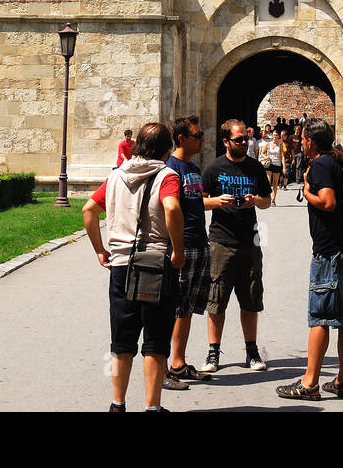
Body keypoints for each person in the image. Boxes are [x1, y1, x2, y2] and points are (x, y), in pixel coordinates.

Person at [82, 122, 185, 412]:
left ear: (138, 144)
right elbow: (172, 208)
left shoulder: (116, 176)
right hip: (155, 264)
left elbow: (88, 210)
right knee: (155, 338)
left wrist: (101, 250)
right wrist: (178, 250)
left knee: (122, 338)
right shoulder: (167, 175)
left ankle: (118, 404)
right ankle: (152, 407)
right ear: (167, 148)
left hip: (121, 265)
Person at [277, 118, 343, 401]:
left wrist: (307, 191)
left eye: (302, 138)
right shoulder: (336, 162)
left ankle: (310, 382)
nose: (300, 141)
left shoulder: (322, 165)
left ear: (309, 142)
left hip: (330, 252)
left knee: (321, 318)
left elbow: (328, 202)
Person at [200, 118, 272, 373]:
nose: (244, 142)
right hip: (221, 240)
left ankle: (251, 351)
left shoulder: (254, 168)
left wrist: (255, 201)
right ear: (226, 142)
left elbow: (267, 200)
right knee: (216, 298)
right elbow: (200, 202)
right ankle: (213, 352)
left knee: (250, 297)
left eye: (245, 138)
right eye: (239, 139)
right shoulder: (213, 168)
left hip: (250, 241)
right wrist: (218, 201)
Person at [165, 115, 210, 388]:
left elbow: (195, 203)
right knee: (177, 307)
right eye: (198, 135)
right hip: (184, 245)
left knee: (188, 309)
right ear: (182, 139)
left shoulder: (191, 167)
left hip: (199, 243)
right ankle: (170, 367)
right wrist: (176, 247)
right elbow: (171, 209)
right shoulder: (172, 169)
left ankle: (179, 362)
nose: (202, 139)